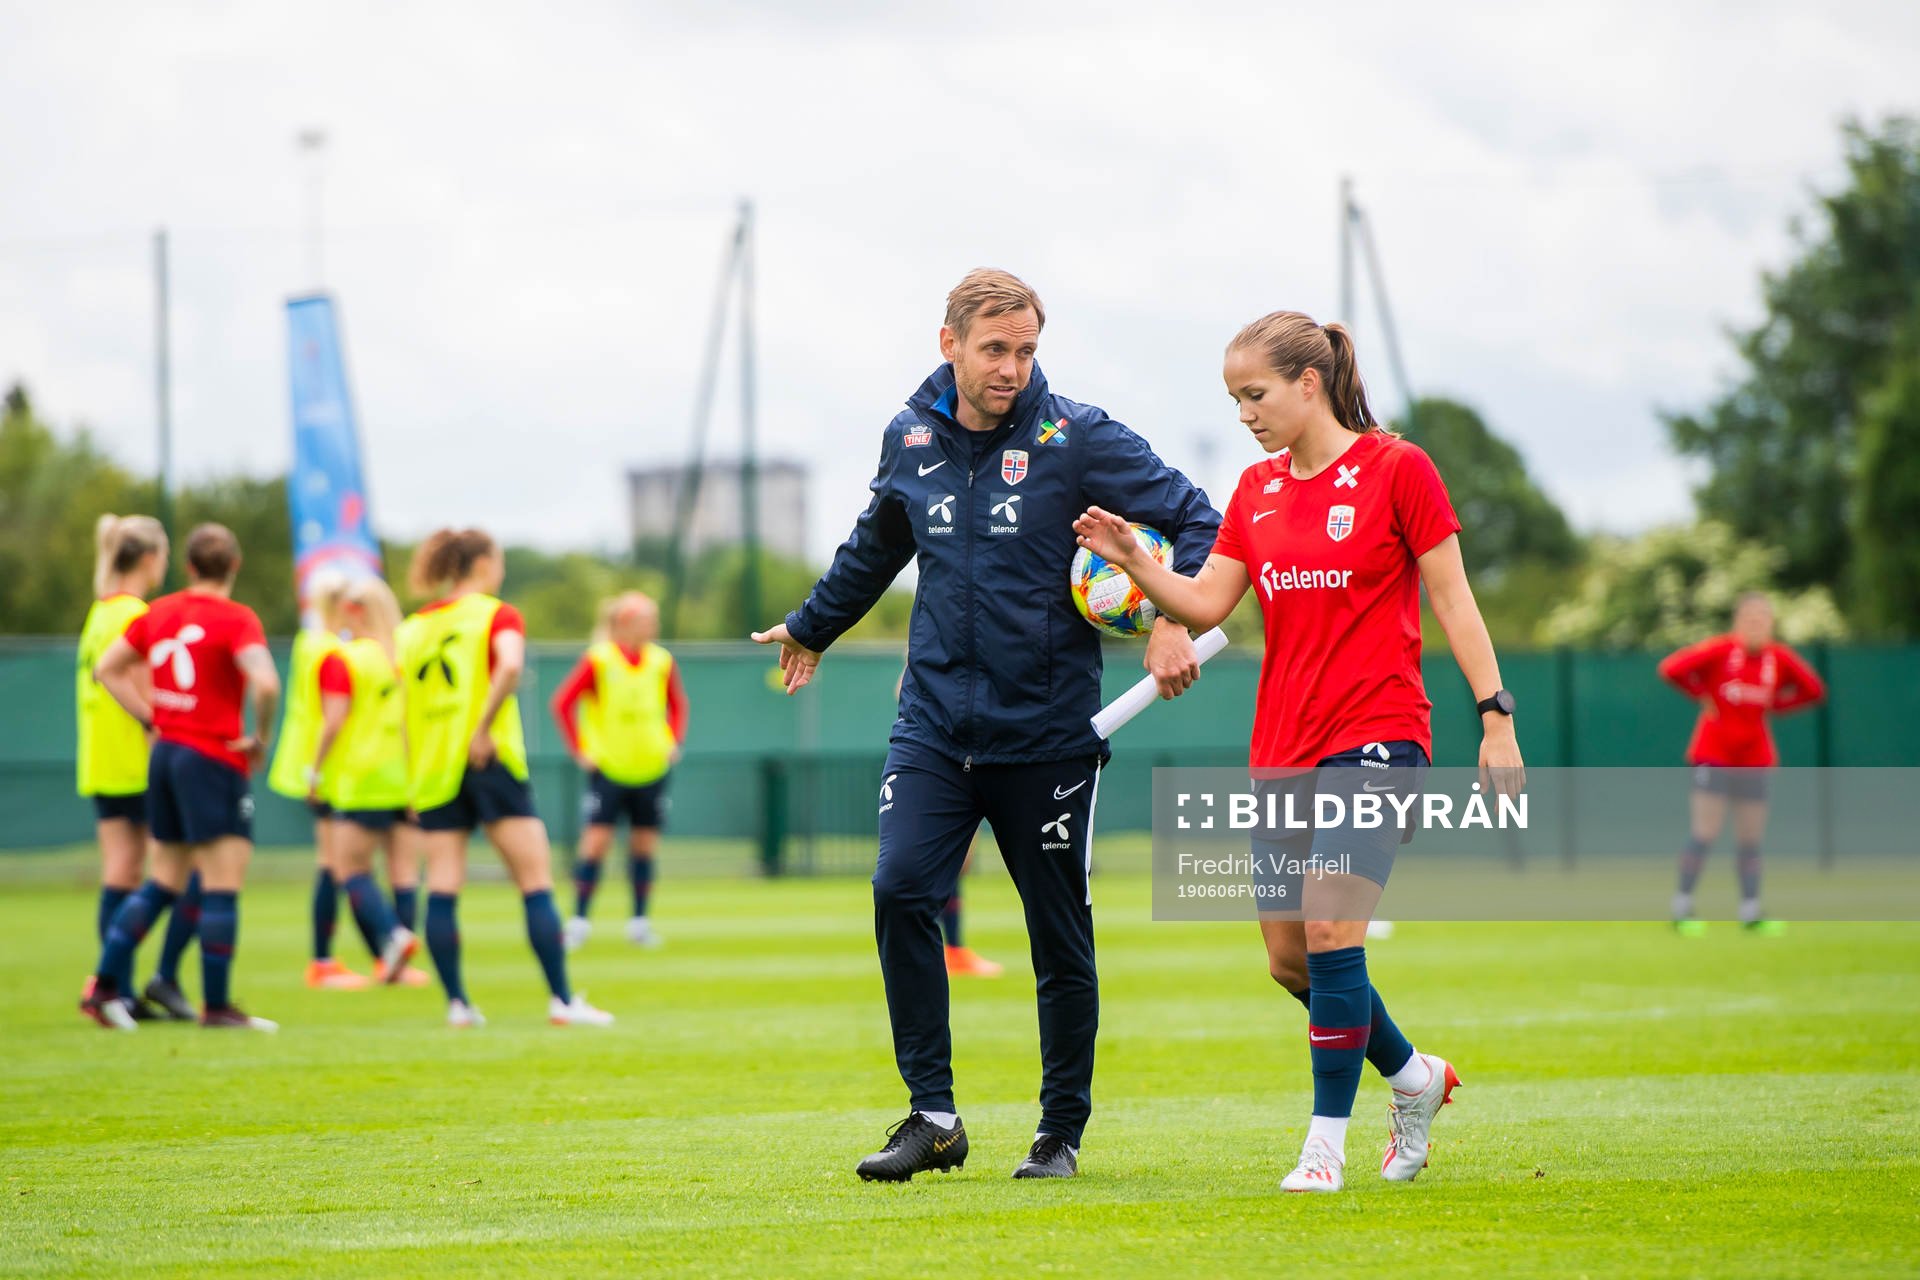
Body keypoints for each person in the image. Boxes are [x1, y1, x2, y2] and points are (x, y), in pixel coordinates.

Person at [754, 268, 1219, 1181]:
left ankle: (1060, 1133)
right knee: (899, 890)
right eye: (995, 349)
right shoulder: (910, 436)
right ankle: (934, 1117)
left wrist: (1174, 618)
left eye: (1027, 350)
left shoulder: (1079, 436)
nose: (1012, 368)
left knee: (1057, 934)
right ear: (950, 344)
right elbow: (876, 546)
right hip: (933, 725)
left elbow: (1199, 519)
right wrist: (812, 625)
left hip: (1047, 735)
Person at [1072, 309, 1524, 1193]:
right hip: (1283, 746)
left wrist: (1495, 717)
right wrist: (1131, 557)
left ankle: (1324, 1145)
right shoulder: (1254, 492)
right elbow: (1206, 607)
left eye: (1256, 394)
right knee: (1291, 961)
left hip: (1380, 734)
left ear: (1309, 385)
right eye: (1234, 398)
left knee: (1329, 929)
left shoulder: (1400, 470)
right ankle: (1415, 1078)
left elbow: (1456, 601)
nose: (1244, 412)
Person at [399, 527, 612, 1028]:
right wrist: (481, 728)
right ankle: (562, 1001)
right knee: (534, 881)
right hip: (489, 761)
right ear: (482, 564)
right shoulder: (497, 613)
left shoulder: (410, 629)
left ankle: (458, 1005)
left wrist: (414, 778)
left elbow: (405, 709)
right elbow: (511, 667)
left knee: (444, 885)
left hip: (433, 768)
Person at [81, 523, 282, 1031]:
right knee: (222, 882)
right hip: (211, 757)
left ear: (189, 567)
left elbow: (108, 669)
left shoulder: (161, 612)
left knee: (162, 880)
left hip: (165, 754)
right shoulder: (237, 619)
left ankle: (104, 986)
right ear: (234, 566)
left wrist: (151, 718)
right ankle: (216, 1007)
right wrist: (260, 735)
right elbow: (266, 682)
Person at [75, 514, 199, 1021]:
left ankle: (118, 990)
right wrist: (158, 730)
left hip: (102, 760)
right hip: (142, 762)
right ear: (150, 558)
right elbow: (150, 693)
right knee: (182, 873)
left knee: (121, 872)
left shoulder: (99, 612)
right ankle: (158, 978)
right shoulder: (134, 614)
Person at [1657, 594, 1826, 934]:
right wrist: (1701, 695)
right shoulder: (1720, 650)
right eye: (1750, 619)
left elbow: (1813, 690)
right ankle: (1683, 907)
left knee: (1750, 837)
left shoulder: (1777, 658)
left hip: (1754, 757)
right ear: (1738, 622)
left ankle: (1750, 911)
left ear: (1771, 625)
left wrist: (1777, 706)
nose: (1756, 626)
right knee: (1706, 831)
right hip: (1714, 754)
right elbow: (1671, 669)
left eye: (1763, 620)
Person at [549, 592, 687, 951]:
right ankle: (578, 922)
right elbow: (562, 703)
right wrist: (580, 750)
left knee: (643, 848)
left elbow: (678, 705)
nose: (653, 626)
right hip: (609, 768)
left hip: (651, 768)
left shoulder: (661, 660)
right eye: (646, 619)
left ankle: (639, 923)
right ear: (625, 623)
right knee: (594, 845)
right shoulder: (600, 659)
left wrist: (673, 740)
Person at [308, 577, 422, 984]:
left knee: (350, 869)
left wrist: (314, 770)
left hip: (361, 777)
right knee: (404, 871)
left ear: (354, 611)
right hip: (404, 777)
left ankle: (392, 935)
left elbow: (333, 720)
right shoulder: (403, 658)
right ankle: (397, 966)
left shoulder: (345, 658)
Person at [267, 570, 372, 989]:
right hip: (323, 764)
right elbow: (334, 715)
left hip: (309, 759)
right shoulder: (329, 648)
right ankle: (323, 961)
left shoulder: (308, 642)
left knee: (333, 861)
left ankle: (332, 957)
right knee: (333, 863)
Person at [894, 658, 1001, 978]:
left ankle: (953, 949)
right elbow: (903, 689)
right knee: (941, 866)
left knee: (958, 867)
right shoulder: (927, 653)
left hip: (973, 754)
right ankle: (947, 950)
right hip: (945, 759)